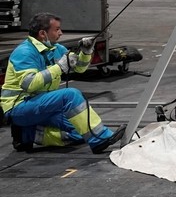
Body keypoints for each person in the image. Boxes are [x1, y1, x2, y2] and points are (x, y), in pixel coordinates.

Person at [2, 13, 125, 154]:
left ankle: (27, 134)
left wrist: (85, 52)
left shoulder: (57, 49)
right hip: (19, 107)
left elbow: (79, 68)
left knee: (81, 131)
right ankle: (100, 139)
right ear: (43, 33)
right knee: (70, 95)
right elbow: (29, 84)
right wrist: (59, 67)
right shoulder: (24, 52)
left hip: (43, 105)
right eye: (57, 29)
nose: (61, 33)